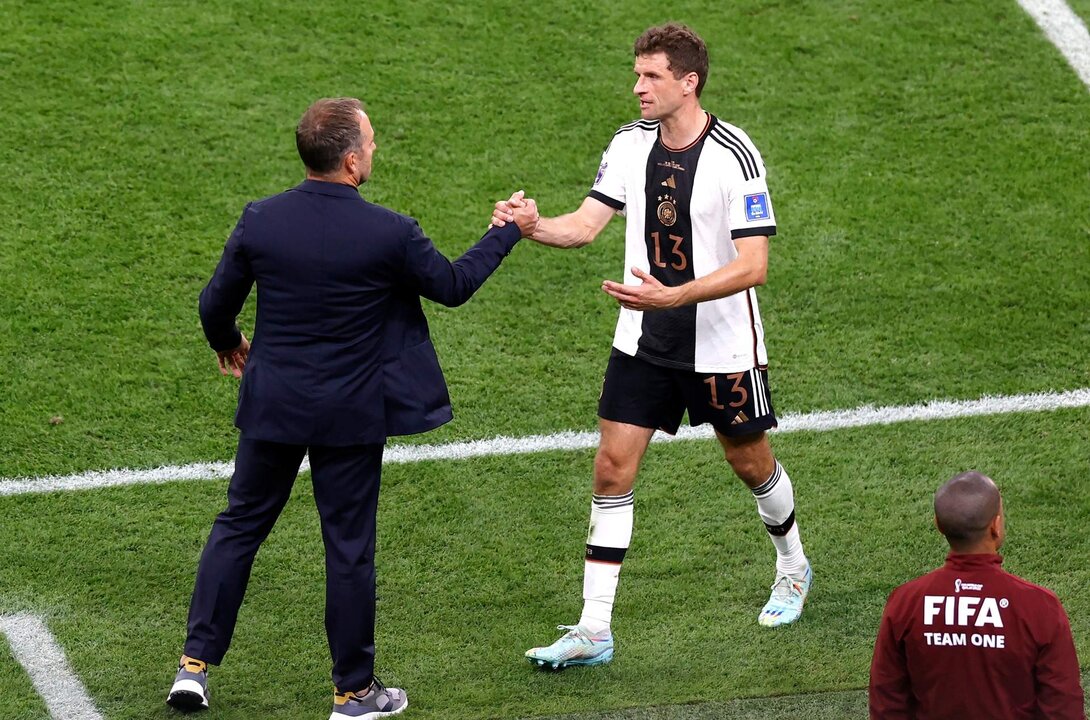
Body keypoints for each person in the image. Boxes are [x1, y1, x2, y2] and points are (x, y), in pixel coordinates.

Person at [166, 97, 538, 718]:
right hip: (351, 413)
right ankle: (353, 694)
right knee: (347, 549)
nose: (375, 148)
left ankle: (194, 669)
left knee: (239, 527)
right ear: (349, 160)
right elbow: (452, 286)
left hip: (274, 405)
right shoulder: (389, 231)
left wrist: (230, 345)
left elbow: (213, 307)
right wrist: (507, 231)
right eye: (369, 140)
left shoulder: (261, 220)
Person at [492, 23, 811, 668]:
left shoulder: (735, 156)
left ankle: (793, 563)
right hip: (643, 335)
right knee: (612, 467)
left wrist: (675, 294)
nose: (637, 87)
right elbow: (583, 227)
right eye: (637, 74)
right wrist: (531, 226)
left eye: (651, 76)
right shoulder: (629, 145)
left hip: (723, 346)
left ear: (688, 82)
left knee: (751, 465)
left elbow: (754, 265)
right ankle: (594, 628)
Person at [869, 471, 1085, 719]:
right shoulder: (1040, 606)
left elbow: (887, 703)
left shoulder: (905, 602)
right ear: (995, 525)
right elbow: (1062, 708)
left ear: (938, 525)